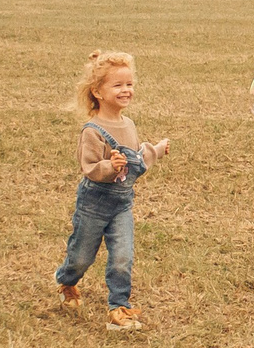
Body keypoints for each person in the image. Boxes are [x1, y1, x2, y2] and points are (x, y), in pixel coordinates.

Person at [56, 49, 170, 332]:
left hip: (122, 205)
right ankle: (67, 281)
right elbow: (90, 166)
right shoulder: (92, 130)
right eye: (118, 85)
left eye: (129, 84)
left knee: (122, 257)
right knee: (82, 257)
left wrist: (156, 150)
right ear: (97, 91)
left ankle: (119, 308)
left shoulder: (128, 125)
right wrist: (109, 165)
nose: (126, 90)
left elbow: (135, 160)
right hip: (94, 203)